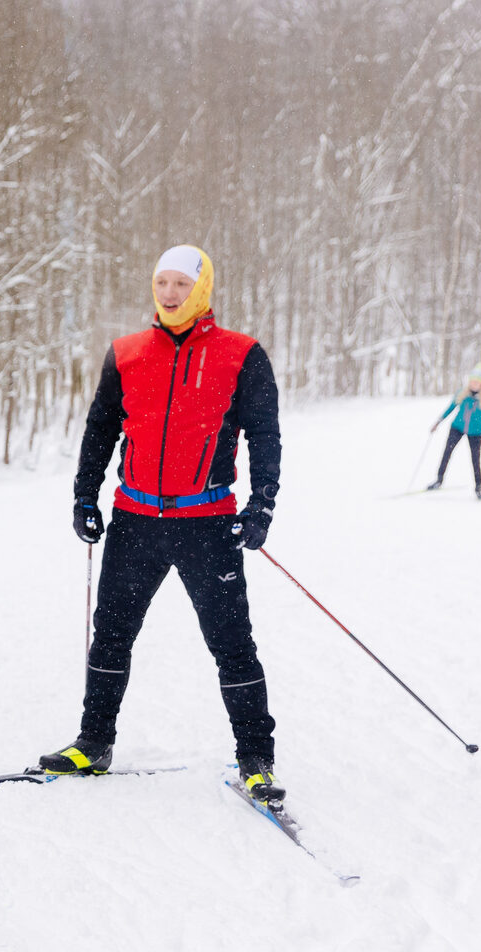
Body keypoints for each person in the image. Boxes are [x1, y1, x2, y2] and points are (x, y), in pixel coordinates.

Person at [46, 245, 285, 803]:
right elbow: (100, 430)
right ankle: (93, 743)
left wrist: (262, 503)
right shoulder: (126, 353)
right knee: (112, 636)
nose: (170, 294)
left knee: (231, 644)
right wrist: (85, 495)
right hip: (134, 521)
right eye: (162, 283)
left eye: (181, 284)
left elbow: (265, 436)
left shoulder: (242, 354)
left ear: (201, 290)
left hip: (208, 523)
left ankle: (255, 759)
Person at [426, 367, 481, 498]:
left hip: (475, 433)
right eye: (472, 381)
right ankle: (439, 480)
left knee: (475, 459)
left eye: (477, 382)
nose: (474, 384)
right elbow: (450, 409)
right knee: (447, 453)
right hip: (456, 428)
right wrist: (438, 422)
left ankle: (478, 487)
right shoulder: (462, 394)